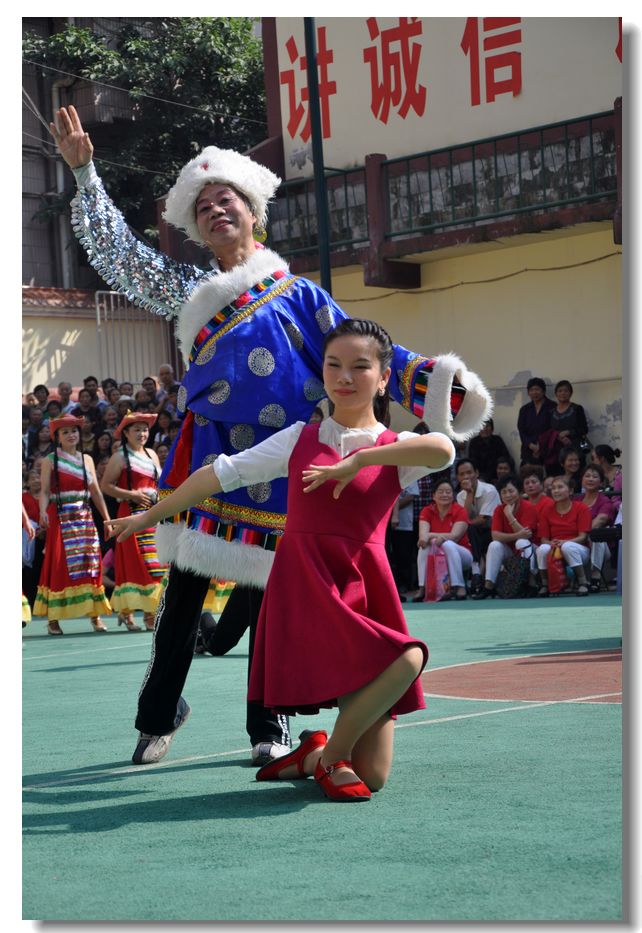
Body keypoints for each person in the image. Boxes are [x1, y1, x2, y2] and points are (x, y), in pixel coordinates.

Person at [51, 104, 491, 768]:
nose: (216, 211)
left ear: (253, 212)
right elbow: (123, 259)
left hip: (287, 464)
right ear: (196, 227)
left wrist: (438, 386)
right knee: (181, 601)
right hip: (213, 457)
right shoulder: (189, 289)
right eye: (204, 207)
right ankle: (159, 714)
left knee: (271, 602)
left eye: (227, 200)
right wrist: (86, 174)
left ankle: (270, 720)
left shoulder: (300, 296)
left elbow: (366, 351)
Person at [107, 318, 455, 801]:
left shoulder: (395, 450)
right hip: (307, 587)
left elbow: (443, 449)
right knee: (409, 656)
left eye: (360, 367)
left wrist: (361, 460)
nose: (344, 377)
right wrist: (150, 516)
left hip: (365, 589)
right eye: (333, 365)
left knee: (374, 775)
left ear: (383, 378)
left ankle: (314, 755)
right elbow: (218, 475)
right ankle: (333, 758)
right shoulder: (298, 438)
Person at [33, 415, 112, 633]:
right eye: (65, 432)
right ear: (57, 437)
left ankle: (95, 615)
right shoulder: (50, 460)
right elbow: (45, 491)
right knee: (58, 565)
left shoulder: (87, 459)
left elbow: (96, 492)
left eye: (74, 431)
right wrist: (42, 511)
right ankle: (53, 618)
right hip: (61, 517)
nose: (71, 435)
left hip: (84, 516)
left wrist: (107, 519)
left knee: (91, 563)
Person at [100, 413, 166, 632]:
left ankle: (149, 612)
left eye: (145, 429)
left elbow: (159, 482)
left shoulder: (151, 454)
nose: (142, 434)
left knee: (155, 563)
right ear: (126, 433)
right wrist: (132, 494)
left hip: (152, 514)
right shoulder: (119, 457)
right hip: (130, 513)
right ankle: (131, 612)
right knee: (134, 562)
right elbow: (106, 486)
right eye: (136, 429)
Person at [474, 475, 538, 599]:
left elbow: (526, 535)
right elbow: (495, 536)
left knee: (521, 542)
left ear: (519, 492)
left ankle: (531, 583)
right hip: (510, 550)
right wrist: (517, 535)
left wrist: (509, 516)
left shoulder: (529, 507)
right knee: (494, 545)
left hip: (530, 549)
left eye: (511, 491)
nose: (507, 495)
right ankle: (489, 586)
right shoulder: (499, 509)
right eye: (503, 492)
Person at [535, 476, 592, 596]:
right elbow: (544, 539)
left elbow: (583, 537)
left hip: (578, 548)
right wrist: (551, 543)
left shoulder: (581, 508)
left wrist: (564, 542)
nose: (556, 491)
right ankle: (545, 584)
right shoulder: (547, 510)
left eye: (560, 487)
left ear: (570, 491)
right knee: (542, 549)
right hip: (555, 548)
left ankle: (583, 582)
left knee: (568, 547)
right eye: (553, 488)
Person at [416, 479, 471, 600]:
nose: (445, 494)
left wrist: (431, 535)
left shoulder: (460, 511)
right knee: (424, 547)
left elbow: (455, 536)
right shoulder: (427, 511)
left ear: (453, 495)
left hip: (463, 555)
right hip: (436, 554)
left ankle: (459, 586)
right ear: (433, 496)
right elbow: (423, 537)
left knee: (448, 544)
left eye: (448, 492)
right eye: (440, 492)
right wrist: (430, 537)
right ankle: (422, 587)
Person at [455, 458, 500, 591]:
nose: (466, 477)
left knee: (469, 528)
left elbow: (484, 519)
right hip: (472, 534)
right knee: (468, 531)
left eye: (469, 472)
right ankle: (475, 574)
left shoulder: (489, 490)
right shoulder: (460, 496)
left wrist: (464, 524)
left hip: (492, 532)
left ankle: (477, 573)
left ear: (477, 473)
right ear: (457, 477)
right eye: (462, 474)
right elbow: (464, 517)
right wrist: (469, 493)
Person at [575, 463, 617, 591]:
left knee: (596, 534)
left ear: (601, 482)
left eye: (595, 476)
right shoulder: (576, 501)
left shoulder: (605, 501)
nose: (591, 479)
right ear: (582, 480)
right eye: (587, 476)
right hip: (579, 542)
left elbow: (600, 520)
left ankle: (595, 577)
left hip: (602, 548)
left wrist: (582, 533)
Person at [517, 377, 555, 466]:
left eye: (537, 389)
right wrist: (530, 445)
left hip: (548, 449)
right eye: (531, 390)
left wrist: (541, 445)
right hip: (528, 450)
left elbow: (554, 428)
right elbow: (521, 430)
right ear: (528, 392)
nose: (534, 392)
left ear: (543, 391)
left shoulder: (552, 406)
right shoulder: (524, 409)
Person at [467, 418, 514, 483]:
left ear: (492, 428)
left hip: (497, 474)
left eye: (487, 426)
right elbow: (473, 463)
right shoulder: (474, 443)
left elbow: (505, 457)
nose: (484, 429)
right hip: (481, 476)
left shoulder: (497, 440)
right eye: (482, 426)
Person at [549, 380, 589, 451]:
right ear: (556, 394)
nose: (563, 393)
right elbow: (549, 431)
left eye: (566, 391)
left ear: (570, 393)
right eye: (560, 391)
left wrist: (568, 432)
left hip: (576, 448)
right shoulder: (551, 412)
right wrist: (559, 437)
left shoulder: (577, 408)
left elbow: (584, 429)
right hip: (556, 449)